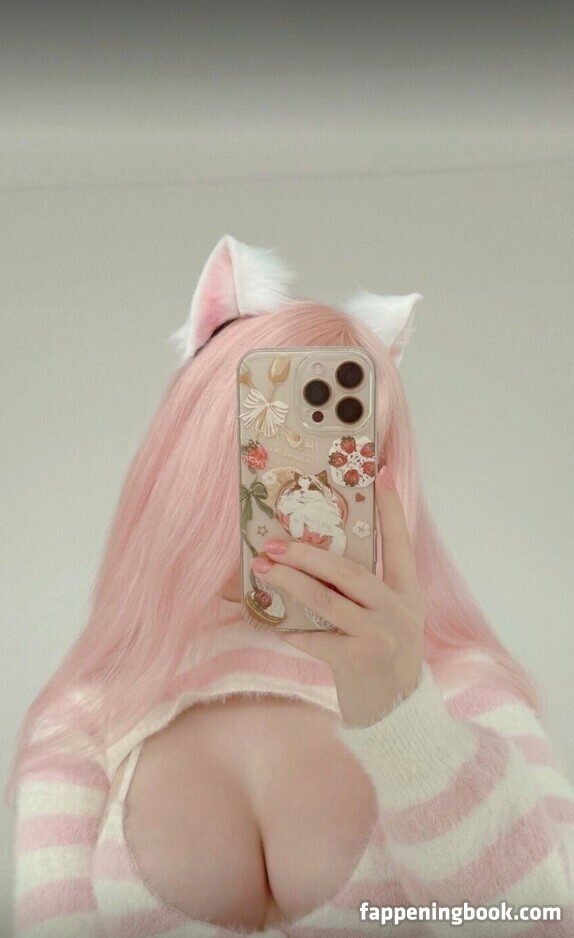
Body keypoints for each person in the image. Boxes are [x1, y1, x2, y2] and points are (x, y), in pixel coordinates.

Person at [7, 235, 574, 937]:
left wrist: (403, 718)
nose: (299, 483)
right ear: (190, 452)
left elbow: (544, 924)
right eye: (268, 441)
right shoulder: (85, 716)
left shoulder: (459, 688)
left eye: (338, 448)